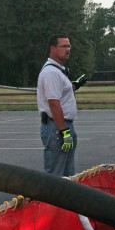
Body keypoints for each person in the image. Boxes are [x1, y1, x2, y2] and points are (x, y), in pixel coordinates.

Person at [37, 34, 86, 176]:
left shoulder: (58, 71)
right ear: (53, 48)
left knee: (67, 174)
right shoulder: (51, 73)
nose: (68, 49)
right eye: (63, 46)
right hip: (57, 128)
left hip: (61, 126)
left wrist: (74, 86)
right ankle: (49, 199)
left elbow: (60, 93)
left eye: (69, 46)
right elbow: (53, 103)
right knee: (55, 174)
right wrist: (64, 131)